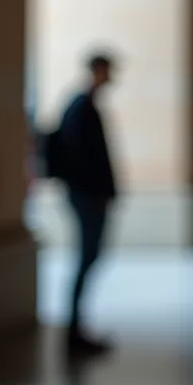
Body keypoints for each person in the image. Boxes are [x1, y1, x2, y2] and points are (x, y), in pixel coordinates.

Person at [56, 52, 119, 357]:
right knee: (86, 257)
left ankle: (76, 327)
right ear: (97, 70)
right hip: (86, 197)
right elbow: (80, 160)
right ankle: (73, 330)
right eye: (108, 71)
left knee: (89, 257)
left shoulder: (86, 107)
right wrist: (94, 194)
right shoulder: (80, 108)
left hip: (90, 196)